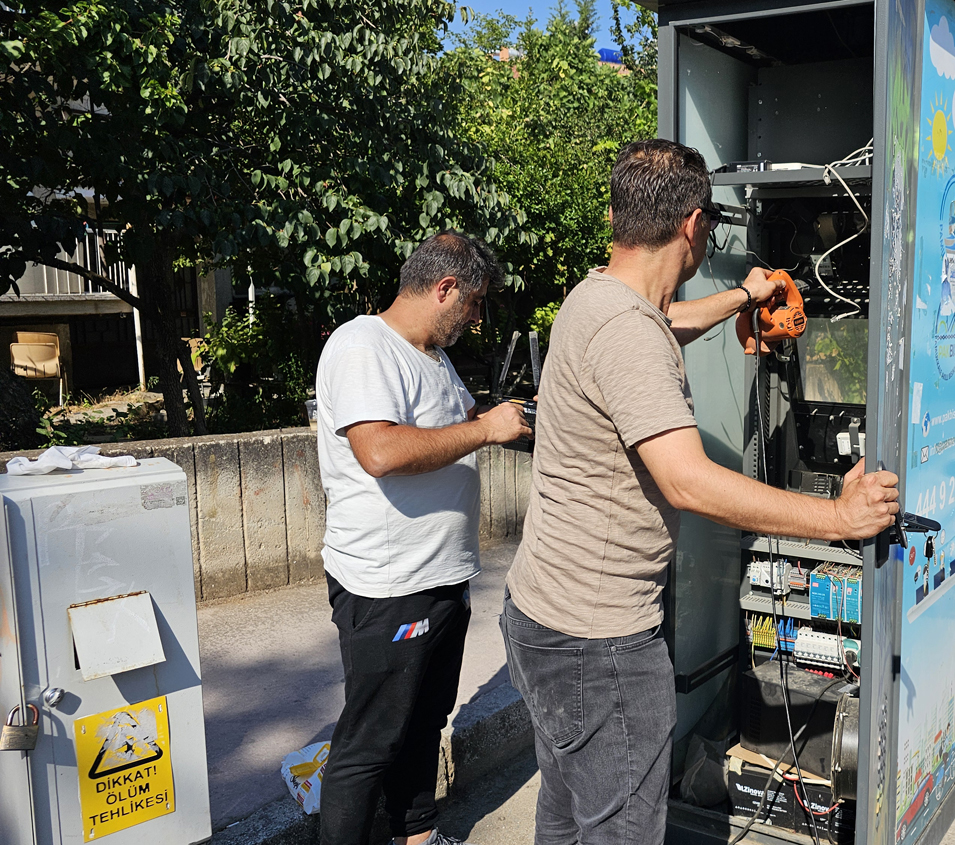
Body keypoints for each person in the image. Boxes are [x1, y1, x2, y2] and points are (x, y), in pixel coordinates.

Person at [502, 139, 900, 845]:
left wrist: (746, 295)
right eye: (710, 224)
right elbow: (686, 479)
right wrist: (839, 515)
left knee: (566, 814)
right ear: (692, 225)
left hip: (541, 615)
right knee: (620, 828)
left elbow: (666, 323)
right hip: (600, 646)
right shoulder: (629, 331)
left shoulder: (596, 298)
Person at [314, 231, 533, 845]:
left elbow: (452, 428)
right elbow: (380, 450)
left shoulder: (430, 358)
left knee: (422, 722)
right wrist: (484, 432)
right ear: (446, 289)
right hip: (388, 585)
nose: (478, 318)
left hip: (441, 577)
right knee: (371, 738)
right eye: (475, 304)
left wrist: (498, 422)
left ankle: (415, 832)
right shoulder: (362, 346)